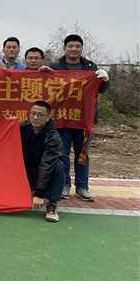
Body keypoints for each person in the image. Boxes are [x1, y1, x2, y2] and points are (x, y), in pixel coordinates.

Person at [49, 34, 110, 202]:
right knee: (62, 154)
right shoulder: (55, 66)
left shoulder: (91, 67)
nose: (73, 49)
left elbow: (100, 89)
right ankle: (64, 184)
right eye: (70, 46)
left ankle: (82, 187)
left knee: (82, 154)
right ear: (64, 48)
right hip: (61, 118)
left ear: (82, 48)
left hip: (83, 118)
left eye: (77, 46)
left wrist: (105, 80)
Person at [19, 101, 66, 222]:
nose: (35, 117)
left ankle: (52, 204)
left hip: (45, 171)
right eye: (33, 113)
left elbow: (46, 164)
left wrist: (39, 194)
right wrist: (10, 125)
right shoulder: (23, 127)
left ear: (48, 117)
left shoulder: (53, 137)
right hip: (28, 170)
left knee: (59, 165)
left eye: (40, 115)